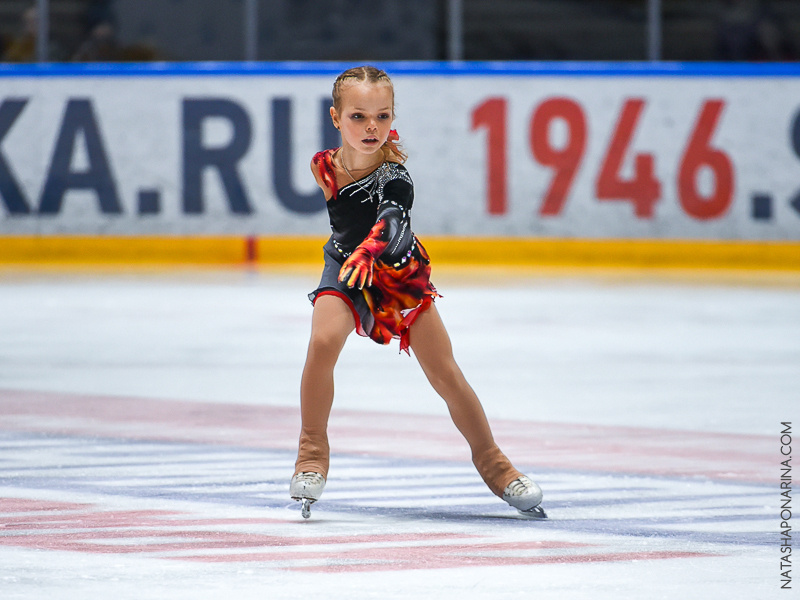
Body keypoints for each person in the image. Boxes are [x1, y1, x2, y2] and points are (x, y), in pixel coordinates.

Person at [289, 65, 546, 520]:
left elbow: (390, 223)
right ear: (335, 118)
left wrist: (370, 251)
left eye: (382, 116)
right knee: (322, 341)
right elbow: (344, 222)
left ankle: (495, 463)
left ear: (393, 119)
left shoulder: (396, 177)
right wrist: (354, 257)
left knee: (445, 373)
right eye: (358, 116)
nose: (371, 127)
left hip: (397, 273)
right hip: (345, 268)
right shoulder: (322, 165)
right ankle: (311, 454)